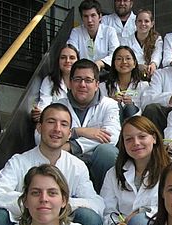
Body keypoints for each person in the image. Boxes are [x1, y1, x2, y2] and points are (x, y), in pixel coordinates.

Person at [0, 103, 105, 225]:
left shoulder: (76, 166)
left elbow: (96, 204)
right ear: (39, 128)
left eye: (64, 124)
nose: (57, 129)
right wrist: (32, 205)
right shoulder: (19, 161)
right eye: (51, 122)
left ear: (69, 134)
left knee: (89, 217)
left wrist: (58, 205)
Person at [100, 116, 171, 225]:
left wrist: (142, 212)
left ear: (154, 138)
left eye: (142, 136)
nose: (136, 143)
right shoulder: (113, 173)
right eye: (129, 139)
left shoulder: (171, 169)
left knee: (138, 222)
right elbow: (107, 210)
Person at [58, 59, 120, 192]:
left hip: (96, 160)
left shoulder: (109, 105)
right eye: (77, 79)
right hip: (68, 160)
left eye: (88, 80)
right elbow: (43, 136)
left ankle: (105, 197)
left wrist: (71, 145)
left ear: (97, 84)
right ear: (70, 83)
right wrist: (78, 131)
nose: (82, 84)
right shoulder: (59, 106)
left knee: (107, 152)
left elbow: (111, 136)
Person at [31, 44, 79, 123]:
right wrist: (39, 113)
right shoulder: (49, 80)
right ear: (58, 60)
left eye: (72, 58)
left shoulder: (82, 82)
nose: (67, 61)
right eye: (63, 57)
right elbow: (44, 105)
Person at [67, 0, 119, 70]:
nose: (89, 20)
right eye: (86, 16)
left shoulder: (110, 31)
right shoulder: (76, 32)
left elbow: (115, 54)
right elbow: (72, 52)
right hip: (82, 72)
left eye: (93, 15)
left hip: (106, 72)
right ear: (82, 18)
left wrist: (100, 63)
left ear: (100, 17)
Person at [106, 46, 148, 122]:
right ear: (114, 63)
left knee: (130, 107)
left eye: (128, 58)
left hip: (136, 125)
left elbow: (146, 110)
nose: (124, 62)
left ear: (134, 63)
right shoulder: (104, 86)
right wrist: (111, 102)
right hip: (112, 124)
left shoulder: (143, 86)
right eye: (119, 59)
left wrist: (132, 104)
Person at [122, 9, 162, 79]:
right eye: (140, 21)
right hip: (131, 77)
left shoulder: (157, 39)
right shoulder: (126, 41)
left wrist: (153, 65)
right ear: (135, 23)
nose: (143, 24)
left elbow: (157, 56)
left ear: (152, 24)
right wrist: (138, 66)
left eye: (146, 21)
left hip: (151, 76)